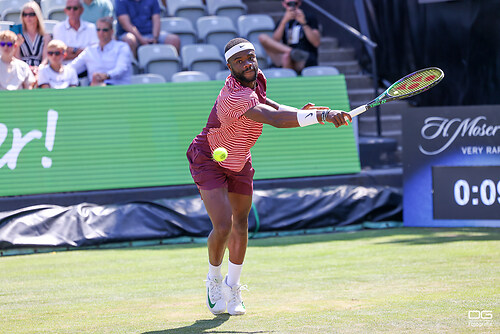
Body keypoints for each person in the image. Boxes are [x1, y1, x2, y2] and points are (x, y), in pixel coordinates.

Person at [186, 37, 351, 316]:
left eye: (250, 57)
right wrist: (321, 115)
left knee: (241, 223)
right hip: (209, 158)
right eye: (239, 61)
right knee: (223, 225)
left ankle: (233, 287)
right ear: (229, 67)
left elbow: (273, 107)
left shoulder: (257, 79)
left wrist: (307, 113)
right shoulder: (232, 96)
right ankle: (214, 280)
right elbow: (273, 120)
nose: (247, 63)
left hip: (240, 160)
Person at [258, 0, 320, 74]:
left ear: (299, 3)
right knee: (263, 37)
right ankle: (291, 51)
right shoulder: (282, 21)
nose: (292, 7)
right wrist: (284, 22)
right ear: (284, 4)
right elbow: (275, 41)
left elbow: (316, 42)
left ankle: (291, 54)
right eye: (289, 4)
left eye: (295, 3)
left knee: (286, 56)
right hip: (287, 55)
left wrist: (304, 23)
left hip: (305, 57)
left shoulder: (309, 18)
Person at [71, 17, 132, 86]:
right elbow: (72, 67)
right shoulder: (89, 50)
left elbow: (121, 69)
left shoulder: (122, 47)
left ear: (112, 31)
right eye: (98, 30)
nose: (101, 33)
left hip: (118, 89)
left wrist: (106, 76)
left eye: (105, 30)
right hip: (95, 89)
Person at [115, 0, 180, 58]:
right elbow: (126, 25)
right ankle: (135, 68)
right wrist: (141, 39)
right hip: (131, 34)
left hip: (150, 34)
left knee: (174, 40)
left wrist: (155, 38)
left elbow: (156, 19)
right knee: (129, 39)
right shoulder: (121, 1)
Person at [16, 1, 51, 76]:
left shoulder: (45, 36)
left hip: (41, 69)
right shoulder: (19, 35)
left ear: (37, 16)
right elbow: (17, 58)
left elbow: (45, 58)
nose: (28, 17)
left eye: (31, 14)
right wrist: (27, 69)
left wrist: (39, 68)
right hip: (22, 70)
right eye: (25, 14)